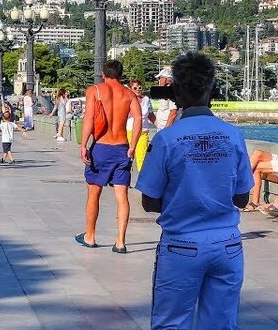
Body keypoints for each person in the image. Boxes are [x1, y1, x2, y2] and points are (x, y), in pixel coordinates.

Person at [135, 51, 253, 330]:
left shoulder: (167, 139)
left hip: (181, 245)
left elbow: (149, 201)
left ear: (175, 91)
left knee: (172, 323)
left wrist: (184, 199)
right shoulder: (233, 135)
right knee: (222, 324)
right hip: (227, 244)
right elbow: (242, 197)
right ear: (211, 89)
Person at [77, 60, 141, 252]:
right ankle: (120, 242)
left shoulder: (95, 91)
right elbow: (138, 118)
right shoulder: (129, 94)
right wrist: (133, 146)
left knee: (94, 193)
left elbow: (89, 118)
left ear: (103, 74)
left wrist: (83, 144)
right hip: (122, 147)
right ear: (121, 74)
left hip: (101, 148)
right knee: (122, 196)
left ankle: (90, 236)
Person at [127, 80, 152, 172]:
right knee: (128, 156)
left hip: (143, 131)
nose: (138, 90)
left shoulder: (146, 100)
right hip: (130, 131)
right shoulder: (127, 99)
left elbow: (151, 115)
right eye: (135, 88)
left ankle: (142, 180)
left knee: (142, 157)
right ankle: (124, 179)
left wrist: (160, 125)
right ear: (130, 89)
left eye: (140, 88)